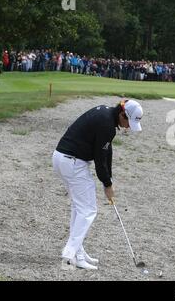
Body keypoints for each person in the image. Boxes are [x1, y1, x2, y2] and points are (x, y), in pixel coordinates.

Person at [52, 100, 144, 270]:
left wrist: (109, 180)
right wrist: (107, 184)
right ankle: (70, 254)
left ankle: (78, 253)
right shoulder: (107, 124)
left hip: (63, 159)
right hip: (72, 162)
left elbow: (107, 152)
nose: (128, 127)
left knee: (80, 208)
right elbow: (99, 158)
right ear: (122, 114)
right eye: (128, 123)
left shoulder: (107, 116)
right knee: (88, 210)